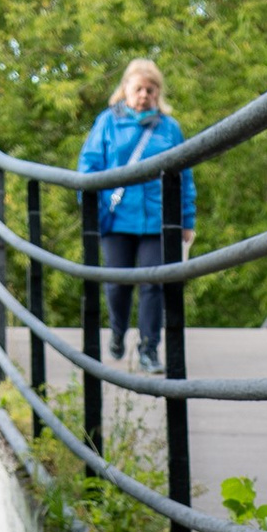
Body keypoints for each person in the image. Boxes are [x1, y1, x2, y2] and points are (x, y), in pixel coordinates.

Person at [79, 60, 197, 368]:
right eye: (138, 89)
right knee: (117, 284)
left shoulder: (169, 128)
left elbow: (184, 177)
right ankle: (117, 332)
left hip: (158, 219)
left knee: (153, 283)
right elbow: (88, 167)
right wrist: (92, 208)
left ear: (158, 92)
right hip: (117, 218)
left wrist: (187, 221)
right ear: (125, 90)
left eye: (150, 89)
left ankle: (149, 349)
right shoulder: (107, 122)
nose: (144, 95)